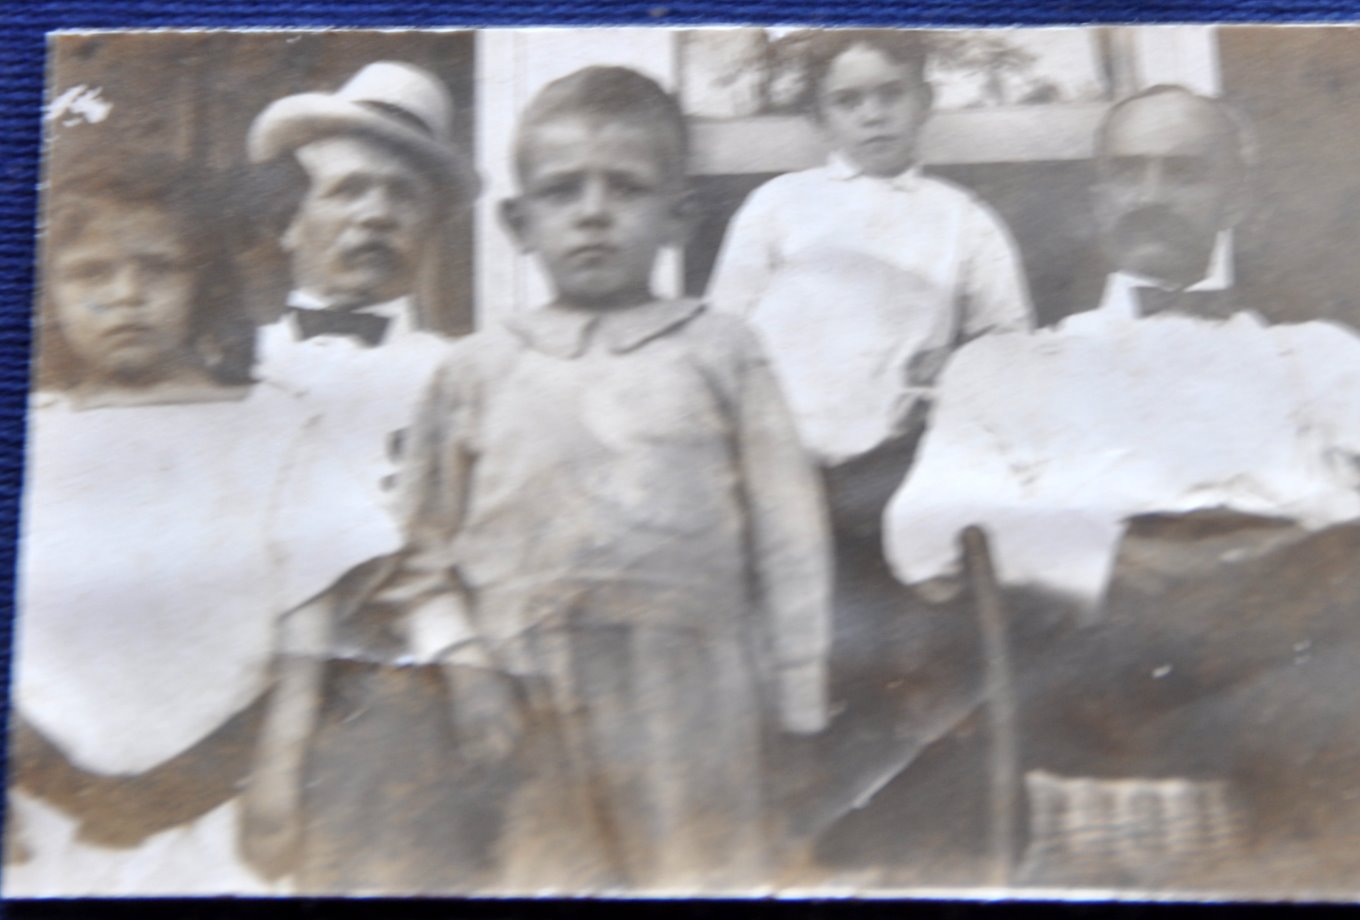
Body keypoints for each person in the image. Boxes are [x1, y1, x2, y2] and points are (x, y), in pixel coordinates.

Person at [884, 85, 1360, 885]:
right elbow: (924, 530)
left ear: (1237, 198)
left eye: (1184, 173)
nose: (1151, 194)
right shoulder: (1012, 367)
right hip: (1123, 662)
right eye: (1129, 172)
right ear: (1098, 200)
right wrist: (1119, 557)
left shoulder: (1320, 358)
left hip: (1311, 648)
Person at [262, 65, 834, 892]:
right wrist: (467, 662)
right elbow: (419, 551)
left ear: (679, 216)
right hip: (521, 695)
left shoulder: (723, 352)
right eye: (563, 190)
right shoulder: (474, 370)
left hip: (694, 700)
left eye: (626, 188)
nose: (594, 212)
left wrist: (800, 707)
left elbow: (791, 541)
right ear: (517, 222)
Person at [705, 30, 1035, 866]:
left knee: (903, 658)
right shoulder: (781, 207)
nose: (873, 115)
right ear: (822, 118)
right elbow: (722, 340)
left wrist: (957, 368)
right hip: (786, 467)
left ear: (923, 100)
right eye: (849, 102)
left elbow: (1010, 350)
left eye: (890, 95)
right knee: (796, 655)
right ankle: (794, 832)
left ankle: (898, 832)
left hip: (900, 467)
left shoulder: (962, 221)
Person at [6, 154, 305, 896]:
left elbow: (308, 636)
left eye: (157, 269)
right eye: (90, 273)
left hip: (219, 795)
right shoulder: (31, 431)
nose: (126, 295)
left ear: (203, 283)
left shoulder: (274, 427)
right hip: (41, 798)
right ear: (49, 292)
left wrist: (279, 780)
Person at [234, 60, 494, 894]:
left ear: (431, 229)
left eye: (402, 196)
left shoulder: (462, 376)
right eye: (348, 190)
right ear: (290, 221)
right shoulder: (228, 372)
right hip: (231, 688)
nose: (375, 214)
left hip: (388, 700)